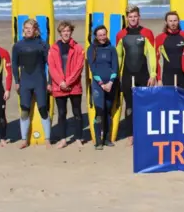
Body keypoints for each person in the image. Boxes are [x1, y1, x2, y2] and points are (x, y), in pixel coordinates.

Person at [115, 5, 156, 144]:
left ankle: (144, 132)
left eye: (135, 16)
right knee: (130, 105)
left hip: (143, 74)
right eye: (130, 17)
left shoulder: (147, 33)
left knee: (145, 104)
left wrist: (153, 74)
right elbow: (119, 56)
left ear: (139, 17)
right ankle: (130, 134)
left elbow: (151, 54)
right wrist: (116, 75)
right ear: (127, 18)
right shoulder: (121, 34)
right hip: (127, 74)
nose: (133, 19)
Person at [12, 18, 52, 149]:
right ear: (23, 30)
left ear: (35, 30)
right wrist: (17, 81)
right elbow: (14, 65)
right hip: (25, 81)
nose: (29, 30)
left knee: (43, 109)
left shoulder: (43, 44)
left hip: (39, 81)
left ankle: (47, 139)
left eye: (31, 28)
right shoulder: (18, 45)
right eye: (26, 28)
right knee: (24, 110)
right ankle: (24, 139)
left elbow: (50, 64)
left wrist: (49, 81)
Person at [48, 20, 85, 149]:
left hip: (74, 86)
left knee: (77, 113)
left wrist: (68, 82)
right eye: (63, 31)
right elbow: (52, 68)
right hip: (59, 86)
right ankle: (63, 139)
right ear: (60, 33)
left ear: (71, 32)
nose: (66, 33)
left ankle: (79, 137)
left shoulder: (78, 48)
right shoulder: (53, 48)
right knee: (62, 113)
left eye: (68, 31)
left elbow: (79, 67)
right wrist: (61, 82)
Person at [87, 25, 119, 149]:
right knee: (99, 112)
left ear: (107, 34)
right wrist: (102, 84)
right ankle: (98, 141)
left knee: (108, 112)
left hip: (111, 84)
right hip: (98, 85)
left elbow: (115, 67)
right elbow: (93, 69)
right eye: (99, 35)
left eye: (104, 34)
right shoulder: (92, 49)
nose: (102, 37)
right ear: (96, 36)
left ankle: (107, 139)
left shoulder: (111, 49)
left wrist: (110, 82)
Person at [155, 11, 184, 87]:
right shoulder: (160, 38)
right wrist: (159, 79)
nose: (173, 23)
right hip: (168, 76)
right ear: (166, 22)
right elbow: (156, 60)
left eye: (175, 20)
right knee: (169, 98)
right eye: (170, 21)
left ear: (178, 21)